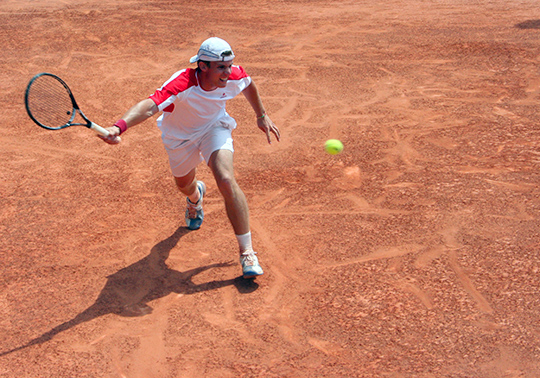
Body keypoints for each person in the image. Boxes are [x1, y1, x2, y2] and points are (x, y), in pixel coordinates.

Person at [100, 37, 280, 279]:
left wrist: (262, 115)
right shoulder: (183, 83)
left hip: (214, 128)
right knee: (184, 185)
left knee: (226, 179)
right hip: (179, 138)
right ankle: (196, 198)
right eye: (221, 67)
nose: (228, 73)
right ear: (203, 66)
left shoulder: (233, 75)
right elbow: (150, 106)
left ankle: (247, 252)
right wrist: (119, 127)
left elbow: (248, 84)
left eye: (229, 65)